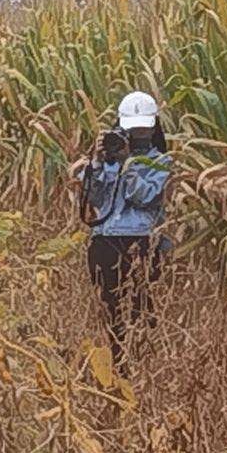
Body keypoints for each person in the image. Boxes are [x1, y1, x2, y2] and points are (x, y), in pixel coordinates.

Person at [74, 89, 172, 361]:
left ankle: (142, 361)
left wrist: (129, 163)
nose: (138, 136)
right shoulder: (107, 159)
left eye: (143, 131)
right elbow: (91, 199)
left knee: (142, 307)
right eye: (133, 130)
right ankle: (115, 360)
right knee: (109, 307)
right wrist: (96, 161)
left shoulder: (160, 161)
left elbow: (144, 198)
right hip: (104, 239)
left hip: (140, 241)